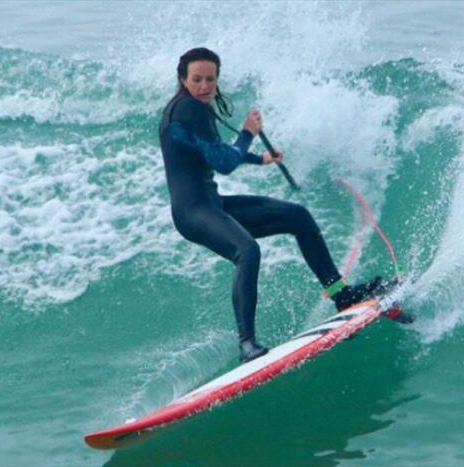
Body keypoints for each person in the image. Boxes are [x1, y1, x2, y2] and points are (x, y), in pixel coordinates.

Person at [158, 47, 384, 363]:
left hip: (212, 205)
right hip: (194, 213)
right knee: (247, 250)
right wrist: (249, 134)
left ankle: (342, 296)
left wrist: (259, 157)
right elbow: (222, 162)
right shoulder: (188, 110)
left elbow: (209, 150)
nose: (205, 86)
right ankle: (247, 344)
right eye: (197, 79)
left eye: (211, 79)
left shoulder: (190, 109)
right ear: (183, 79)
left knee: (297, 216)